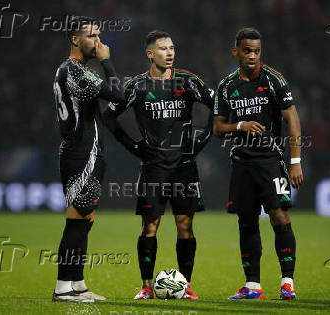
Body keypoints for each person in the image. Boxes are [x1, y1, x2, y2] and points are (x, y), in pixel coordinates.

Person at [52, 16, 149, 302]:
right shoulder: (75, 71)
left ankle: (77, 283)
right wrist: (108, 61)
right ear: (75, 39)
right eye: (92, 36)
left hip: (86, 151)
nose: (99, 42)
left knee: (85, 218)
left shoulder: (72, 70)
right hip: (81, 154)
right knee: (76, 220)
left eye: (99, 36)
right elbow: (118, 96)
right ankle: (62, 288)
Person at [112, 30, 214, 299]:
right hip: (154, 167)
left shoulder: (188, 82)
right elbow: (110, 115)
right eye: (162, 49)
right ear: (150, 54)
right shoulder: (137, 86)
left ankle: (186, 285)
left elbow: (220, 105)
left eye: (171, 48)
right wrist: (133, 145)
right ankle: (146, 286)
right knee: (150, 226)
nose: (169, 53)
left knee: (185, 226)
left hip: (184, 166)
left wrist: (203, 138)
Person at [213, 27, 303, 300]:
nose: (252, 56)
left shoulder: (274, 80)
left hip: (270, 160)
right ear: (236, 51)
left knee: (279, 216)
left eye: (257, 51)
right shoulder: (226, 86)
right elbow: (218, 128)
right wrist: (240, 124)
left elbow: (293, 120)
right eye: (247, 50)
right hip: (241, 163)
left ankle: (287, 282)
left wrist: (296, 162)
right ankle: (252, 285)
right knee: (247, 221)